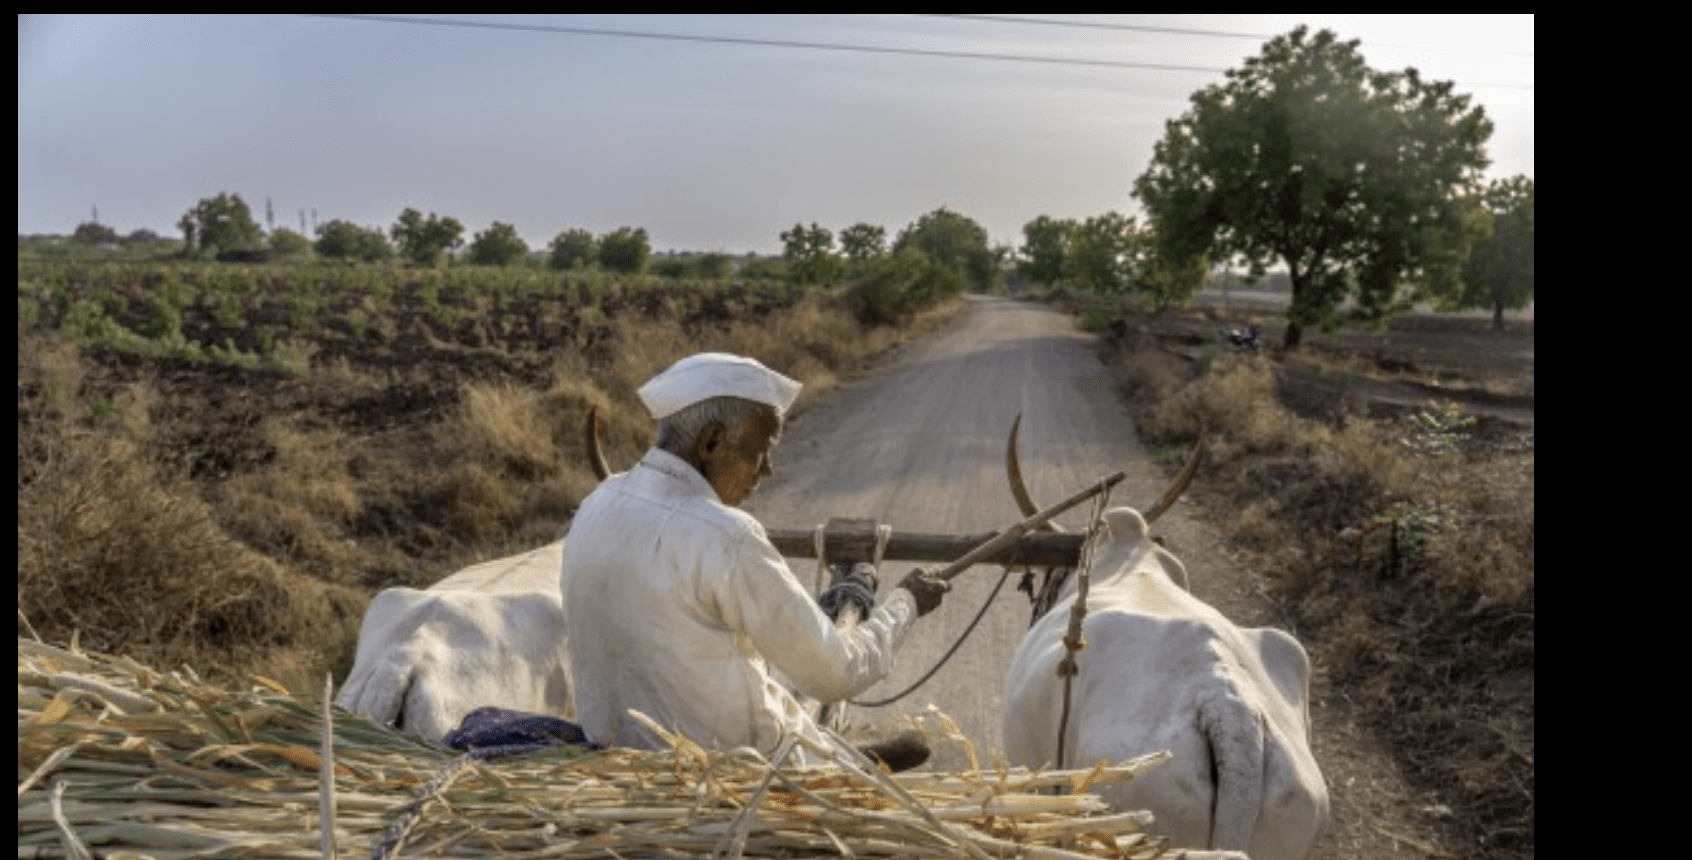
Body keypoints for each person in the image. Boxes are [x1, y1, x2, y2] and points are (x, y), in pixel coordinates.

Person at [558, 353, 948, 771]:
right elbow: (836, 673)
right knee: (914, 752)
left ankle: (842, 754)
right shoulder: (727, 536)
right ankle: (843, 761)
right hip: (733, 773)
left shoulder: (595, 504)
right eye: (760, 451)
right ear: (711, 442)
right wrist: (906, 604)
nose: (768, 470)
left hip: (612, 758)